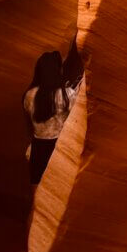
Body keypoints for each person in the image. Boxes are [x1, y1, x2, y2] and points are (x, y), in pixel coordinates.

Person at [23, 49, 80, 185]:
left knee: (37, 185)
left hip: (38, 147)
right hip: (59, 147)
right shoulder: (66, 95)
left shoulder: (30, 95)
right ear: (57, 71)